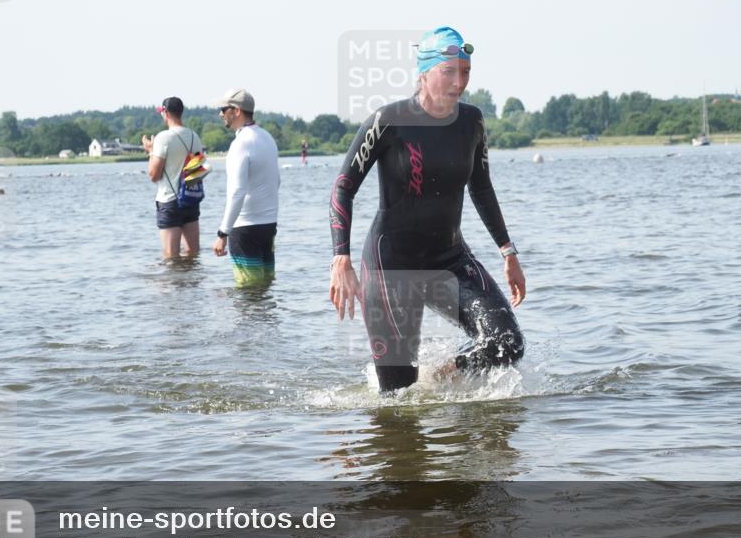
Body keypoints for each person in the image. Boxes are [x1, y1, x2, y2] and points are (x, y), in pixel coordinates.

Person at [328, 26, 526, 393]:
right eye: (448, 71)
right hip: (392, 265)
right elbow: (343, 188)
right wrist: (341, 258)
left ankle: (444, 375)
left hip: (449, 258)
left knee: (506, 343)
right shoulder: (389, 122)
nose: (459, 82)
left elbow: (481, 187)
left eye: (465, 72)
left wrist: (508, 251)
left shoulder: (472, 122)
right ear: (424, 72)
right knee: (399, 396)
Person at [211, 88, 280, 286]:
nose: (221, 114)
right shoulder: (267, 138)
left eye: (224, 109)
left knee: (248, 292)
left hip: (245, 229)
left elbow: (237, 192)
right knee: (265, 289)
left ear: (237, 111)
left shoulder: (240, 143)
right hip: (269, 225)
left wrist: (222, 233)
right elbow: (277, 181)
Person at [142, 96, 203, 259]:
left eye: (162, 112)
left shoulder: (163, 138)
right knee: (193, 254)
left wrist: (150, 151)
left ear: (166, 113)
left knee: (170, 257)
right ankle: (192, 284)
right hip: (190, 199)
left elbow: (154, 175)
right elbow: (197, 172)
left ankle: (173, 284)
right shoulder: (194, 137)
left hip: (169, 202)